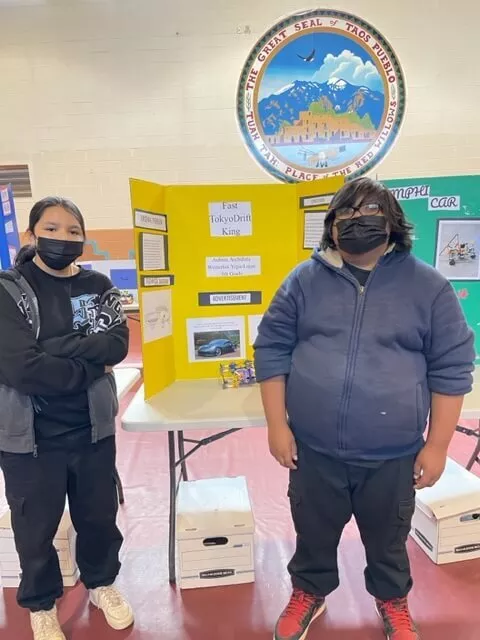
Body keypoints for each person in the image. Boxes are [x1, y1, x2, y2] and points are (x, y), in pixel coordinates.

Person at [254, 177, 475, 640]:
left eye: (369, 211)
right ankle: (309, 592)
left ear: (392, 222)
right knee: (312, 532)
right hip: (314, 451)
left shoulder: (429, 287)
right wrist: (278, 425)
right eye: (345, 215)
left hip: (392, 455)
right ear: (331, 227)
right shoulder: (303, 280)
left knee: (388, 541)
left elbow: (452, 368)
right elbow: (271, 349)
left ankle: (392, 601)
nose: (357, 221)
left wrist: (437, 446)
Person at [0, 197, 134, 640]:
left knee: (98, 516)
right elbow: (22, 367)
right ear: (31, 235)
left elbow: (115, 345)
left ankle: (102, 583)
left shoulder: (98, 287)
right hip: (30, 437)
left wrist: (55, 347)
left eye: (73, 231)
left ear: (83, 237)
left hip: (91, 429)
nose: (62, 238)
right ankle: (41, 602)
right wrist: (88, 362)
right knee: (35, 527)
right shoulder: (9, 289)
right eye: (52, 229)